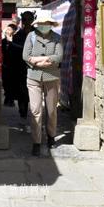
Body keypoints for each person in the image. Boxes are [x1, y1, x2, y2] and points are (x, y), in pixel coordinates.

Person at [22, 10, 63, 157]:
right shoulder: (31, 36)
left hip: (52, 77)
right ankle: (36, 142)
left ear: (51, 24)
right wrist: (43, 60)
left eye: (47, 23)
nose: (44, 25)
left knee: (51, 110)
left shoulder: (57, 38)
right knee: (35, 110)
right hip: (33, 78)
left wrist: (41, 60)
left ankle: (51, 136)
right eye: (41, 23)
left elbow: (59, 56)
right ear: (37, 24)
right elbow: (26, 56)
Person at [8, 12, 34, 125]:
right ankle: (22, 109)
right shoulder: (18, 35)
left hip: (35, 68)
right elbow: (13, 52)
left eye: (29, 19)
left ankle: (32, 109)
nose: (27, 21)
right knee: (21, 90)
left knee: (32, 90)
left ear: (32, 20)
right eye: (25, 19)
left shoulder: (37, 33)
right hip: (20, 67)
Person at [1, 23, 18, 106]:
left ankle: (10, 99)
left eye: (9, 29)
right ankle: (8, 98)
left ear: (14, 31)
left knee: (13, 83)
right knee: (5, 83)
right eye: (7, 29)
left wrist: (12, 43)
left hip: (15, 66)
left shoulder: (16, 41)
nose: (7, 31)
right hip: (5, 65)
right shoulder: (2, 42)